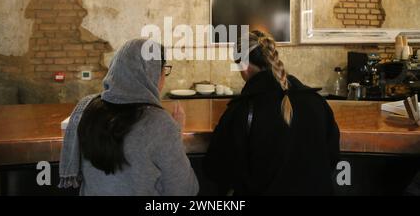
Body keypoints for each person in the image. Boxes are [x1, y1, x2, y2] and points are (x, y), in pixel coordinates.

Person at [203, 30, 340, 195]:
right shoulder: (317, 102)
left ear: (244, 66)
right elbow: (331, 158)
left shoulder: (242, 109)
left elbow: (216, 167)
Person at [59, 39, 199, 196]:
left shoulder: (85, 107)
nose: (164, 79)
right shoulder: (160, 123)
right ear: (152, 74)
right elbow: (185, 190)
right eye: (164, 71)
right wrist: (177, 132)